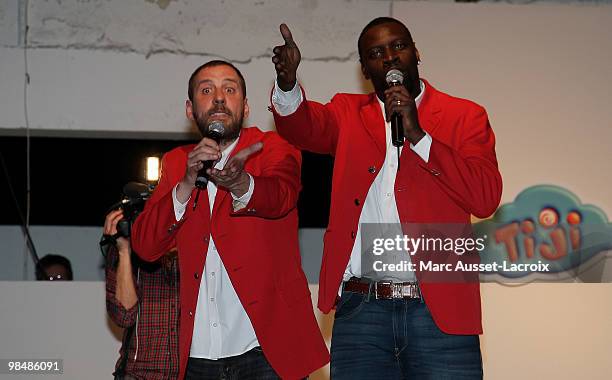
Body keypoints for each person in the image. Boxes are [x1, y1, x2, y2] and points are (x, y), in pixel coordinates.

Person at [270, 18, 503, 379]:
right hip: (363, 311)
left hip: (438, 310)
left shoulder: (464, 115)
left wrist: (420, 136)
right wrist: (287, 85)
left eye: (399, 46)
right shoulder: (347, 113)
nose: (390, 58)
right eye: (376, 53)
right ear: (365, 68)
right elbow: (303, 126)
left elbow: (485, 197)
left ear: (416, 52)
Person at [131, 60, 329, 379]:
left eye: (230, 89)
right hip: (197, 355)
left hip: (267, 350)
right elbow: (145, 245)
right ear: (190, 109)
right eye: (207, 90)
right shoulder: (177, 162)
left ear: (246, 106)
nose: (219, 97)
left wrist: (240, 183)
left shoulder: (273, 147)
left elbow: (282, 195)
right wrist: (184, 185)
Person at [103, 209, 179, 380]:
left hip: (192, 372)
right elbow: (123, 316)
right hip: (139, 374)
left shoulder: (196, 249)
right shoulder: (126, 254)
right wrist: (124, 251)